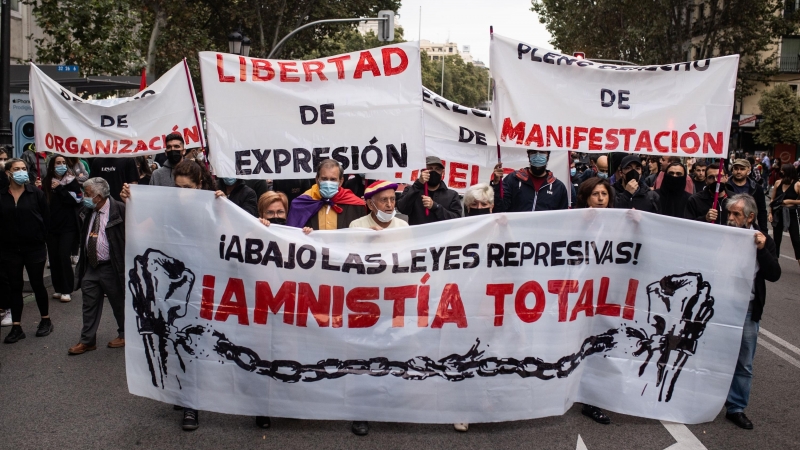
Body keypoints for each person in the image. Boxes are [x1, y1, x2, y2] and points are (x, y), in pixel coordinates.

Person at [120, 159, 222, 432]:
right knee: (176, 341)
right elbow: (144, 225)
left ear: (200, 185)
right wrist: (131, 200)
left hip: (203, 285)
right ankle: (188, 399)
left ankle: (192, 402)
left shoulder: (215, 206)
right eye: (177, 187)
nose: (181, 193)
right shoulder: (169, 209)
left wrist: (224, 207)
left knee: (193, 342)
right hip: (172, 288)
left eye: (187, 187)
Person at [724, 194, 781, 430]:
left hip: (747, 309)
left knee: (744, 363)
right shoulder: (721, 234)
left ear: (750, 217)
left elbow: (774, 273)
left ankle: (736, 408)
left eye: (736, 214)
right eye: (729, 213)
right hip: (721, 307)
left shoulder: (762, 240)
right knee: (714, 357)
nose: (731, 218)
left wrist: (761, 250)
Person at [572, 176, 615, 425]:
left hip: (606, 293)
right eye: (595, 194)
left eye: (604, 194)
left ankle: (593, 400)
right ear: (586, 198)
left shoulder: (621, 222)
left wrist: (636, 223)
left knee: (600, 344)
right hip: (578, 293)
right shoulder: (573, 221)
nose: (600, 199)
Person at [68, 177, 127, 353]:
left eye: (87, 194)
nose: (84, 197)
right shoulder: (87, 211)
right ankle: (87, 340)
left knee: (119, 303)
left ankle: (124, 334)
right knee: (89, 304)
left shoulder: (121, 210)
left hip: (113, 267)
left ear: (99, 196)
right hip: (91, 266)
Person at [0, 159, 52, 343]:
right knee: (15, 287)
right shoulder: (2, 196)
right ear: (8, 173)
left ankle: (45, 320)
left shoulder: (35, 194)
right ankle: (16, 326)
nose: (21, 172)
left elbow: (46, 219)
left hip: (34, 248)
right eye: (17, 169)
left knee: (37, 284)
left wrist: (41, 239)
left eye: (23, 168)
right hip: (10, 250)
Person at [43, 155, 82, 303]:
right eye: (58, 163)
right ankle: (58, 288)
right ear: (52, 165)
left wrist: (60, 189)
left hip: (68, 227)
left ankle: (67, 289)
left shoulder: (71, 182)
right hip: (52, 227)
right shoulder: (47, 182)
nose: (61, 165)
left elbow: (76, 200)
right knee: (53, 258)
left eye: (63, 163)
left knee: (63, 255)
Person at [287, 159, 367, 230]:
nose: (328, 183)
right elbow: (292, 235)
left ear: (341, 181)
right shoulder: (302, 204)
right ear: (317, 179)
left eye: (333, 179)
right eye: (324, 179)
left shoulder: (356, 206)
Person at [490, 150, 572, 212]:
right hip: (515, 233)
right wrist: (497, 184)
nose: (538, 156)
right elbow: (500, 209)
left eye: (542, 152)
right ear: (528, 156)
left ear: (548, 156)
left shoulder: (558, 187)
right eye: (533, 152)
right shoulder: (513, 179)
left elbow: (561, 219)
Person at [397, 156, 462, 224]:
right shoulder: (411, 190)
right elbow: (402, 208)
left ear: (442, 172)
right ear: (423, 171)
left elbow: (456, 220)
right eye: (430, 168)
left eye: (437, 169)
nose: (434, 172)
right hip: (418, 234)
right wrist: (418, 184)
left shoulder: (452, 195)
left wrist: (436, 207)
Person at [724, 159, 769, 236]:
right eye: (736, 168)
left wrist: (764, 232)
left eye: (742, 169)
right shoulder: (724, 186)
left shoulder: (756, 188)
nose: (738, 171)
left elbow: (762, 212)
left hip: (747, 228)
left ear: (748, 170)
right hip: (727, 227)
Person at [769, 164, 800, 265]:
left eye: (782, 170)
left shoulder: (797, 184)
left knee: (796, 239)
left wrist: (790, 201)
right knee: (776, 239)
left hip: (791, 213)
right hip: (778, 212)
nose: (780, 172)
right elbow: (772, 199)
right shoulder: (778, 183)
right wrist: (770, 213)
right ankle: (775, 261)